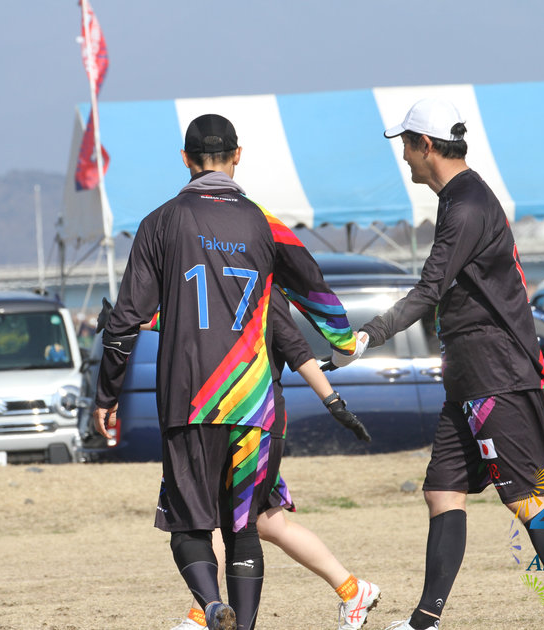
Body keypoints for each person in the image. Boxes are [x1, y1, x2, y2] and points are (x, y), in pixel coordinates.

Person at [330, 98, 544, 630]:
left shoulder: (466, 205)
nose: (403, 157)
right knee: (442, 490)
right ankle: (424, 621)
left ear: (426, 145)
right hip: (470, 376)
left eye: (406, 145)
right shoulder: (457, 199)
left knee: (528, 498)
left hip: (497, 373)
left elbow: (429, 288)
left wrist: (367, 335)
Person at [93, 114, 366, 630]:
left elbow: (125, 322)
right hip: (255, 403)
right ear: (238, 155)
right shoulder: (266, 223)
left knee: (189, 525)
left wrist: (107, 395)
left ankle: (210, 602)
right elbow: (313, 288)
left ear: (185, 159)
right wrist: (343, 340)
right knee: (244, 528)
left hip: (190, 399)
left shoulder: (160, 222)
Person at [137, 296, 379, 630]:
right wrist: (132, 320)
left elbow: (297, 349)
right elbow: (192, 315)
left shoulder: (264, 292)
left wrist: (333, 401)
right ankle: (353, 590)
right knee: (267, 523)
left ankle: (201, 615)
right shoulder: (224, 284)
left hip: (254, 423)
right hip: (227, 419)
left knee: (222, 517)